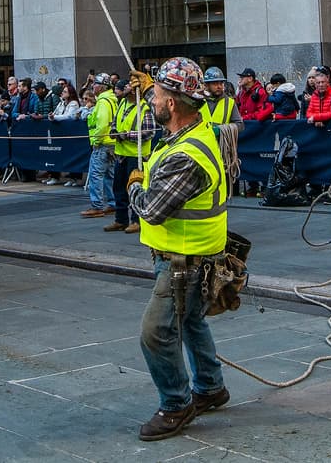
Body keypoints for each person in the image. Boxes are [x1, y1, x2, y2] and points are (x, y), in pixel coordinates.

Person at [125, 58, 230, 442]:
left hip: (184, 260)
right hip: (187, 254)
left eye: (155, 94)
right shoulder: (192, 133)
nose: (151, 99)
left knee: (155, 333)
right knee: (191, 323)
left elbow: (151, 209)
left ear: (171, 103)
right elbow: (165, 126)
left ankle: (176, 404)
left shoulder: (186, 157)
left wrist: (134, 186)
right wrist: (147, 85)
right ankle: (210, 387)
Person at [104, 80, 156, 234]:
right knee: (118, 188)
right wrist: (114, 131)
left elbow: (149, 132)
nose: (123, 89)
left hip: (137, 156)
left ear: (134, 91)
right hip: (121, 155)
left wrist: (127, 135)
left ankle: (136, 220)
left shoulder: (144, 108)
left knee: (135, 188)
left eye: (127, 87)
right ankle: (120, 220)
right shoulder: (122, 104)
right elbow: (115, 122)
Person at [81, 73, 118, 218]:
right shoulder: (113, 100)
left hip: (102, 144)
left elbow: (102, 125)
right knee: (110, 175)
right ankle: (113, 203)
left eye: (95, 84)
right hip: (112, 143)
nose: (93, 86)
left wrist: (96, 141)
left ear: (102, 87)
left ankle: (97, 206)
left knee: (96, 175)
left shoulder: (103, 102)